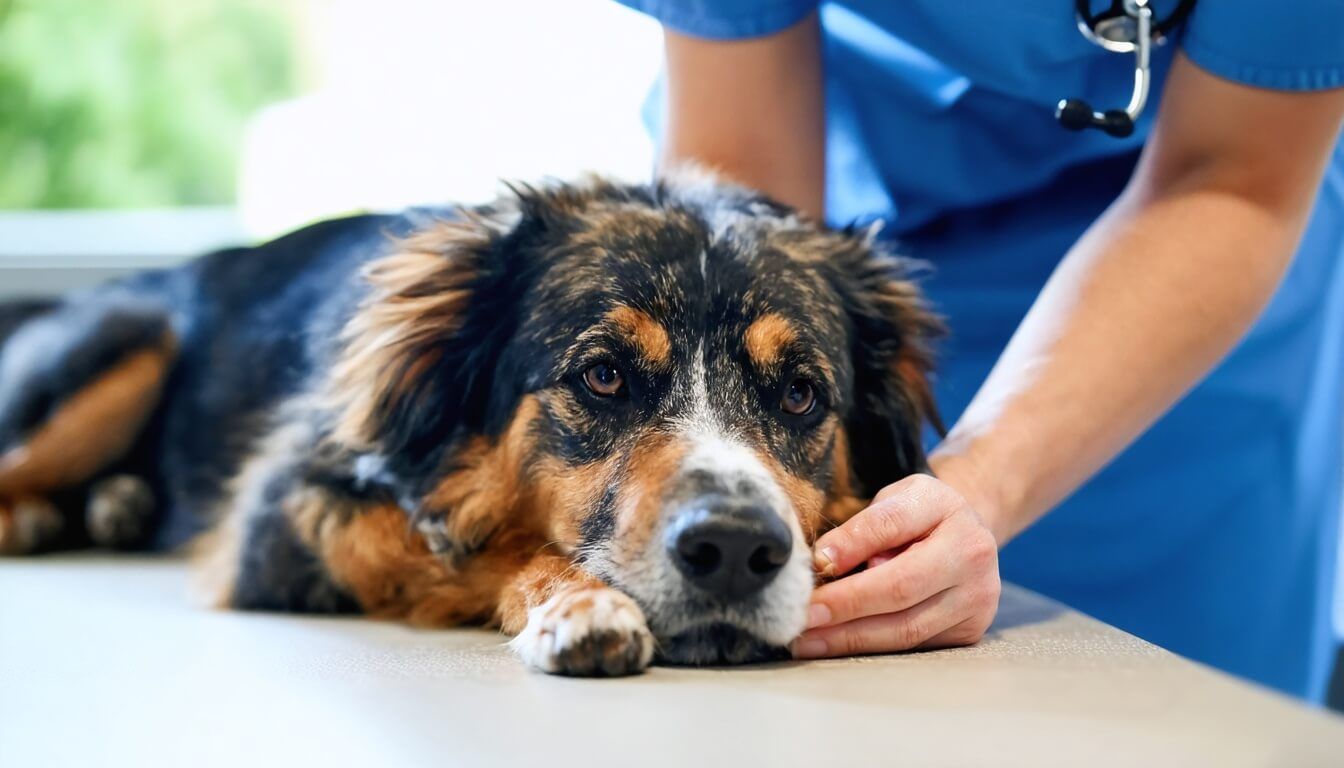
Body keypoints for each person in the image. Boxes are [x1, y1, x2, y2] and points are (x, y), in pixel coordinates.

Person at [615, 0, 1344, 702]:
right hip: (838, 225)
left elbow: (1235, 175)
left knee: (1180, 716)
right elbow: (750, 180)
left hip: (1182, 301)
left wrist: (981, 484)